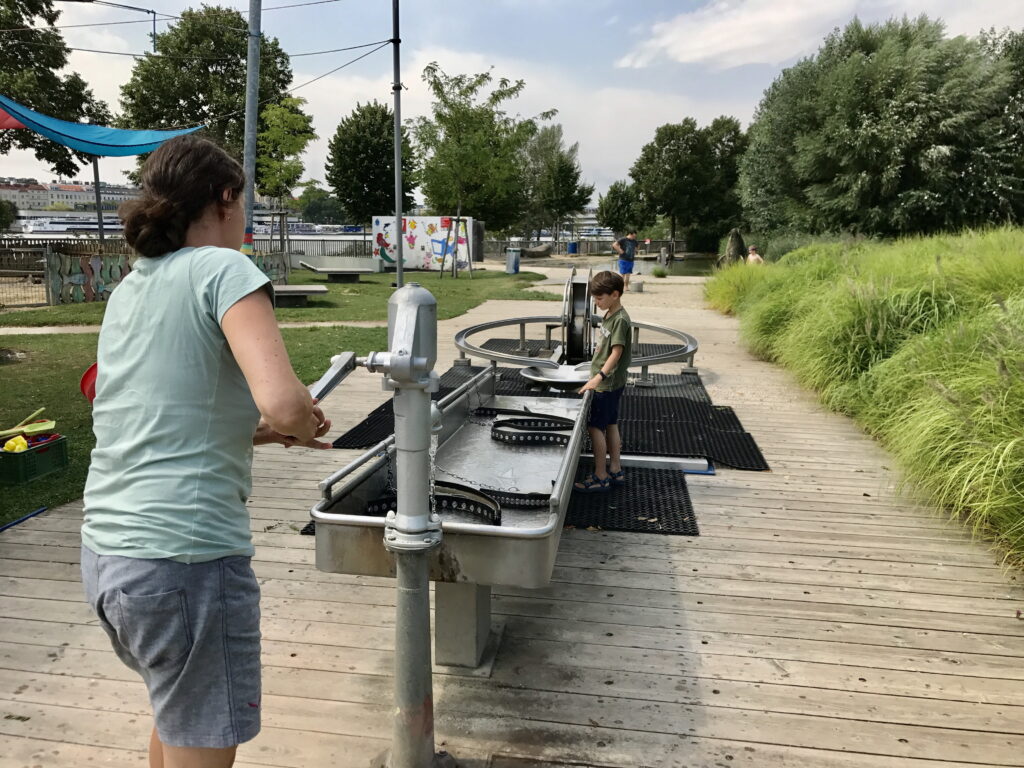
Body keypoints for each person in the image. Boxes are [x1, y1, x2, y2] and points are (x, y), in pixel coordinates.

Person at [80, 134, 332, 768]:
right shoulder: (225, 268)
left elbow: (149, 413)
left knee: (176, 714)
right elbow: (282, 400)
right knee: (200, 734)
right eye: (244, 203)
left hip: (110, 557)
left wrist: (256, 432)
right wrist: (297, 421)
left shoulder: (131, 289)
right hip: (183, 560)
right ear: (225, 198)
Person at [574, 271, 632, 492]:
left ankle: (600, 475)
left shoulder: (620, 320)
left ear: (615, 294)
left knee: (595, 427)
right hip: (610, 382)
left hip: (607, 384)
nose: (596, 302)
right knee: (611, 423)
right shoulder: (611, 313)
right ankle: (615, 469)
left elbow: (616, 353)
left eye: (599, 298)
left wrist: (598, 378)